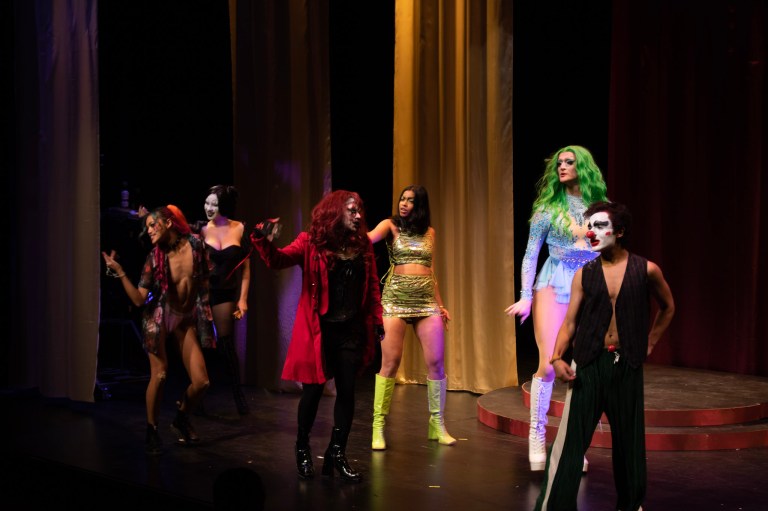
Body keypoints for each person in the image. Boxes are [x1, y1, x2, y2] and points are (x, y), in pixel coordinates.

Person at [534, 201, 675, 511]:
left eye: (599, 226)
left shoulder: (646, 269)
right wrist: (557, 357)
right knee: (571, 443)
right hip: (588, 364)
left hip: (626, 365)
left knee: (630, 444)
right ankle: (553, 506)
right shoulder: (585, 273)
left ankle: (631, 505)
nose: (591, 231)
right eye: (590, 226)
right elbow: (570, 323)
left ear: (620, 231)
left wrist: (651, 341)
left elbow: (668, 307)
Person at [250, 190, 384, 482]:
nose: (359, 215)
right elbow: (278, 260)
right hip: (319, 331)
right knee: (312, 392)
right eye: (352, 210)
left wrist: (377, 319)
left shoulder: (363, 245)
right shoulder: (310, 242)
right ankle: (302, 446)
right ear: (336, 212)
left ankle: (337, 452)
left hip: (350, 330)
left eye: (360, 210)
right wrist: (262, 238)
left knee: (348, 391)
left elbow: (372, 284)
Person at [504, 145, 608, 471]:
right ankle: (537, 434)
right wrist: (525, 295)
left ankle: (571, 443)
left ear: (583, 167)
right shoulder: (547, 209)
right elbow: (531, 253)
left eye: (569, 162)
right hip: (553, 282)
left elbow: (608, 248)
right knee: (549, 363)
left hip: (590, 284)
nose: (562, 166)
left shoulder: (598, 209)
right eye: (559, 162)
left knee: (584, 369)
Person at [101, 205, 215, 455]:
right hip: (159, 317)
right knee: (160, 374)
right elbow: (140, 300)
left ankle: (181, 418)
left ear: (169, 223)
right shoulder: (154, 257)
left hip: (185, 318)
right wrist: (120, 272)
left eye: (154, 225)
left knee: (202, 382)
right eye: (148, 227)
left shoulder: (196, 246)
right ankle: (152, 430)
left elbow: (206, 277)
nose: (149, 230)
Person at [367, 184, 455, 450]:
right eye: (402, 199)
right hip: (395, 299)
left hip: (426, 301)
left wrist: (440, 305)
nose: (404, 204)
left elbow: (430, 270)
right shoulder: (390, 226)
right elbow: (367, 239)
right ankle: (378, 426)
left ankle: (437, 423)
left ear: (420, 206)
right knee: (390, 364)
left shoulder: (430, 232)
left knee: (436, 363)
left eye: (410, 201)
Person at [200, 185, 253, 416]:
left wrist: (243, 300)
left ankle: (237, 394)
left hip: (225, 293)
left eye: (214, 204)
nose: (209, 208)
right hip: (203, 293)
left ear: (224, 206)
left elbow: (246, 270)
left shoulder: (240, 228)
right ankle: (199, 393)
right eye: (207, 203)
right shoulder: (201, 230)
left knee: (225, 342)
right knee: (202, 344)